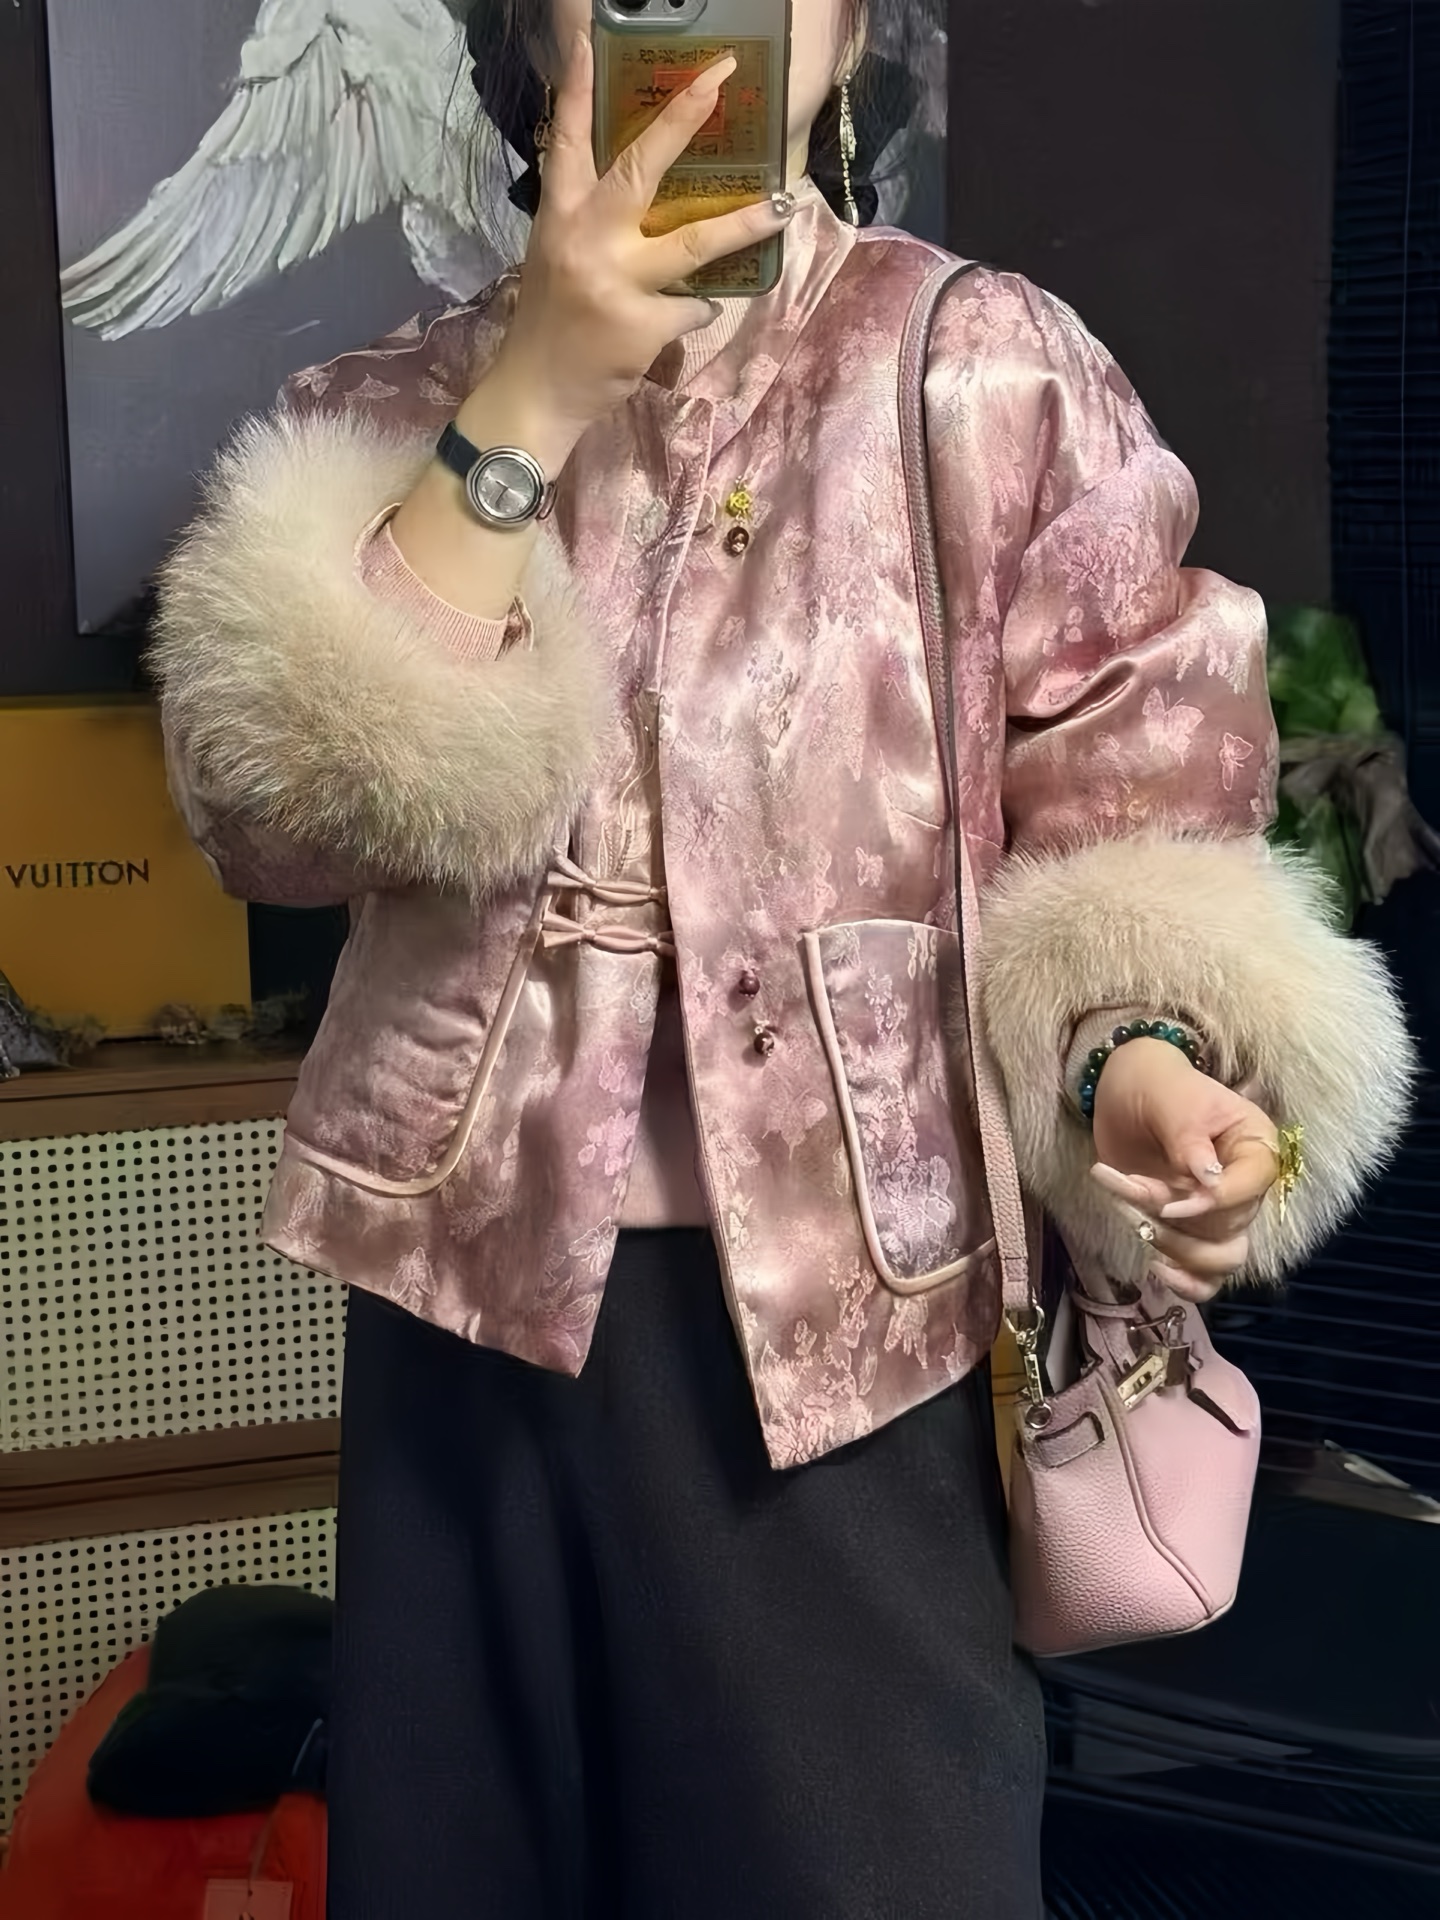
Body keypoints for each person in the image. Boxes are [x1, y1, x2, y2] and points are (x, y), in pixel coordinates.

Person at [149, 2, 1414, 1913]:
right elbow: (273, 821)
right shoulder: (393, 400)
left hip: (854, 1350)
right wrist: (530, 398)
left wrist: (1136, 1062)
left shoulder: (984, 372)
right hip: (461, 1334)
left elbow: (1137, 808)